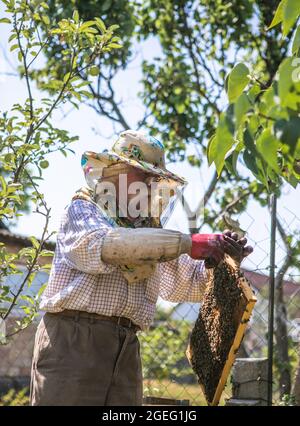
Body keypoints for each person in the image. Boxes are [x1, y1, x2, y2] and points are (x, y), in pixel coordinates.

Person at [29, 130, 253, 406]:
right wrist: (188, 243)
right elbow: (106, 247)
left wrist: (221, 262)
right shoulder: (84, 210)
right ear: (115, 171)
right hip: (74, 342)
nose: (150, 184)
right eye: (142, 174)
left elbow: (185, 285)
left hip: (127, 347)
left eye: (154, 178)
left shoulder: (150, 232)